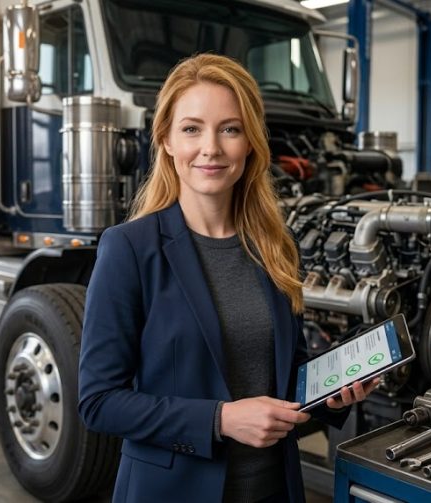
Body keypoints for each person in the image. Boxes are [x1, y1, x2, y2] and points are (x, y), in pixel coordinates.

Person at [78, 54, 378, 503]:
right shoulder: (130, 249)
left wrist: (332, 393)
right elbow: (98, 402)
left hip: (272, 488)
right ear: (166, 141)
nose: (211, 148)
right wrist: (219, 419)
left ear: (251, 143)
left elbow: (283, 377)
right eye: (192, 128)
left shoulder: (276, 246)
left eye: (230, 129)